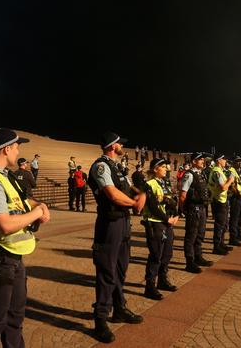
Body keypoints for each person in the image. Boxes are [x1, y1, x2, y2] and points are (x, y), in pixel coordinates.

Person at [0, 128, 51, 348]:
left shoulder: (5, 176)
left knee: (15, 317)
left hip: (13, 257)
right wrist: (36, 214)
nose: (18, 152)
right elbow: (4, 224)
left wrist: (39, 206)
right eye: (16, 147)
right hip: (0, 258)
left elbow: (21, 202)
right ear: (6, 149)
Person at [88, 132, 146, 343]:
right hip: (109, 224)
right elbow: (112, 194)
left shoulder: (117, 167)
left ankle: (119, 308)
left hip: (122, 222)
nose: (123, 146)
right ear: (113, 146)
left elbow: (129, 187)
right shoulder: (101, 166)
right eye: (121, 144)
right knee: (106, 271)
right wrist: (134, 203)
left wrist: (141, 194)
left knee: (121, 268)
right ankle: (100, 319)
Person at [141, 158, 179, 300]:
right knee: (156, 255)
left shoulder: (166, 183)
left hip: (167, 223)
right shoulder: (149, 184)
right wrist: (166, 219)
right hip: (155, 223)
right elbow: (152, 206)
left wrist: (175, 215)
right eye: (163, 166)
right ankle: (150, 286)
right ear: (155, 169)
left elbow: (172, 201)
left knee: (167, 254)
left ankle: (162, 280)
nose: (166, 169)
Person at [179, 152, 213, 274]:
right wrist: (183, 210)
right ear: (194, 161)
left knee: (200, 234)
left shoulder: (201, 174)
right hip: (193, 209)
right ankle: (190, 262)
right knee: (191, 236)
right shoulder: (189, 175)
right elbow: (182, 194)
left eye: (203, 159)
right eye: (200, 159)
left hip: (202, 207)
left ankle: (198, 257)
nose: (203, 161)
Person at [208, 154, 235, 255]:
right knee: (219, 224)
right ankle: (217, 246)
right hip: (218, 201)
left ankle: (221, 244)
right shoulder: (216, 171)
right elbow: (223, 187)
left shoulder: (220, 171)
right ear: (218, 160)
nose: (225, 161)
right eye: (224, 159)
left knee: (224, 224)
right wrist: (230, 180)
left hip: (222, 200)